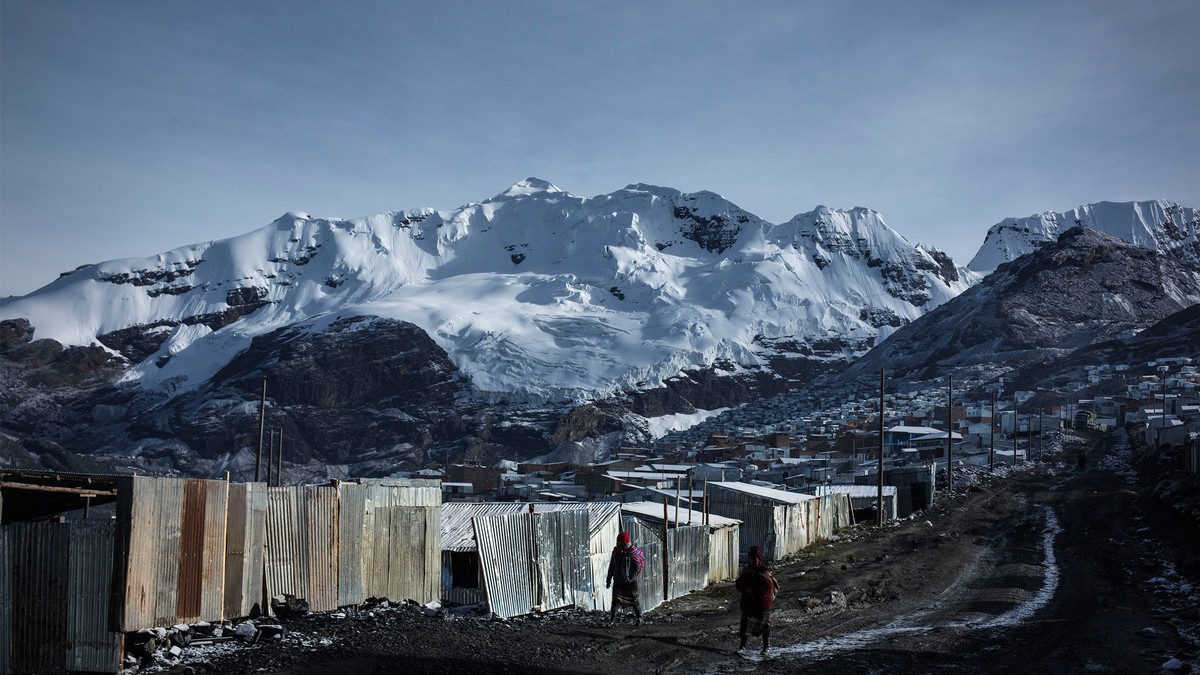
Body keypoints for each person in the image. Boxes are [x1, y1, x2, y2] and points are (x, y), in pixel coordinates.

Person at [735, 545, 779, 656]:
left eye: (755, 559)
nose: (753, 561)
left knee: (765, 624)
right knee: (745, 624)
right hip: (748, 601)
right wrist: (746, 589)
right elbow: (739, 584)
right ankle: (742, 647)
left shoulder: (764, 570)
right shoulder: (746, 570)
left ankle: (766, 647)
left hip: (762, 601)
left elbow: (768, 586)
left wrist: (754, 590)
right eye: (751, 559)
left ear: (759, 559)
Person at [605, 531, 645, 625]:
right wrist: (608, 580)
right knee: (615, 601)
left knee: (634, 601)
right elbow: (612, 566)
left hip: (630, 583)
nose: (618, 545)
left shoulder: (632, 553)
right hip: (618, 581)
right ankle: (611, 620)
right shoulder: (616, 553)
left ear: (625, 544)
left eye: (620, 543)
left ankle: (639, 618)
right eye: (617, 543)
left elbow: (638, 567)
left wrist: (631, 577)